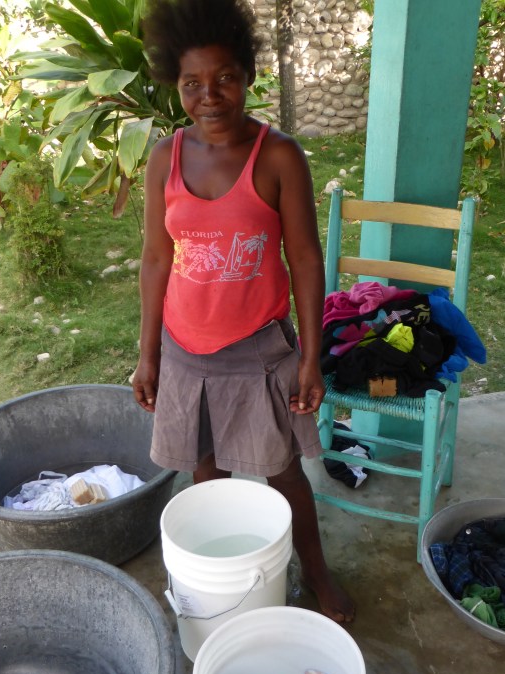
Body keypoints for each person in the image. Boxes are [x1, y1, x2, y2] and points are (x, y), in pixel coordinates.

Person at [132, 0, 355, 623]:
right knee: (209, 477)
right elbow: (155, 260)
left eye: (225, 76)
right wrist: (148, 355)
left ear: (249, 75)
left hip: (257, 350)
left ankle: (316, 576)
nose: (210, 95)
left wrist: (310, 359)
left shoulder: (278, 157)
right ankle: (223, 585)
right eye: (192, 83)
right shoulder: (164, 159)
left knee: (284, 473)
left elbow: (307, 260)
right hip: (185, 351)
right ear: (175, 86)